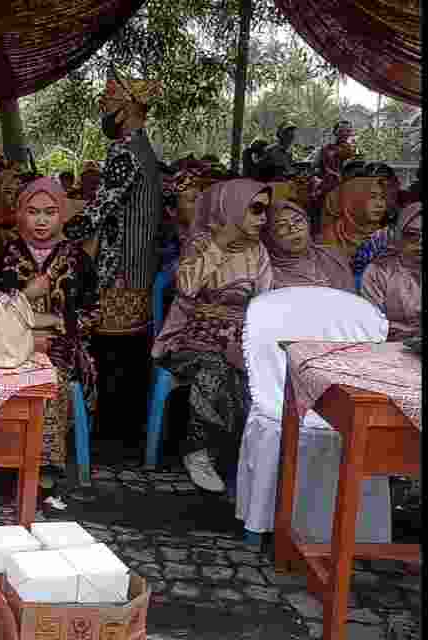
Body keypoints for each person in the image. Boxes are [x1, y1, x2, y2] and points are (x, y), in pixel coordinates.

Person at [62, 72, 164, 448]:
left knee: (111, 355)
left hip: (120, 271)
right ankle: (125, 436)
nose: (103, 109)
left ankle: (107, 439)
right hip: (139, 268)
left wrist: (57, 230)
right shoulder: (146, 151)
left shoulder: (124, 153)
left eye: (108, 103)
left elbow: (98, 211)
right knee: (127, 353)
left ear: (127, 110)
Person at [152, 180, 272, 493]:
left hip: (237, 337)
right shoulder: (201, 243)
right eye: (255, 209)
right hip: (188, 339)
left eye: (265, 210)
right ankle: (199, 451)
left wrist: (242, 341)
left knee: (254, 372)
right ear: (231, 208)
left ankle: (239, 459)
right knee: (215, 366)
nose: (263, 219)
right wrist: (219, 246)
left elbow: (264, 302)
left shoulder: (258, 251)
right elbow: (187, 287)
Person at [0, 177, 100, 482]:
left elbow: (92, 314)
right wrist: (26, 309)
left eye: (49, 212)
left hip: (62, 345)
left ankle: (43, 467)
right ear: (21, 213)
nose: (41, 220)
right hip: (7, 344)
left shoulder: (77, 259)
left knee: (51, 378)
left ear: (61, 214)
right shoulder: (6, 256)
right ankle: (1, 462)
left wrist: (49, 325)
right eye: (33, 212)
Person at [361, 203, 421, 341]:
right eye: (412, 235)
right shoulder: (378, 271)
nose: (420, 242)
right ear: (399, 235)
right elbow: (371, 322)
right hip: (392, 347)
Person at [263, 200, 354, 292]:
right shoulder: (266, 273)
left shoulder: (332, 257)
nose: (293, 228)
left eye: (298, 221)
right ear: (270, 235)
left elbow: (352, 299)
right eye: (282, 225)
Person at [315, 175, 388, 260]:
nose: (380, 204)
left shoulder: (386, 237)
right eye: (372, 197)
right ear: (352, 201)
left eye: (382, 198)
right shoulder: (326, 240)